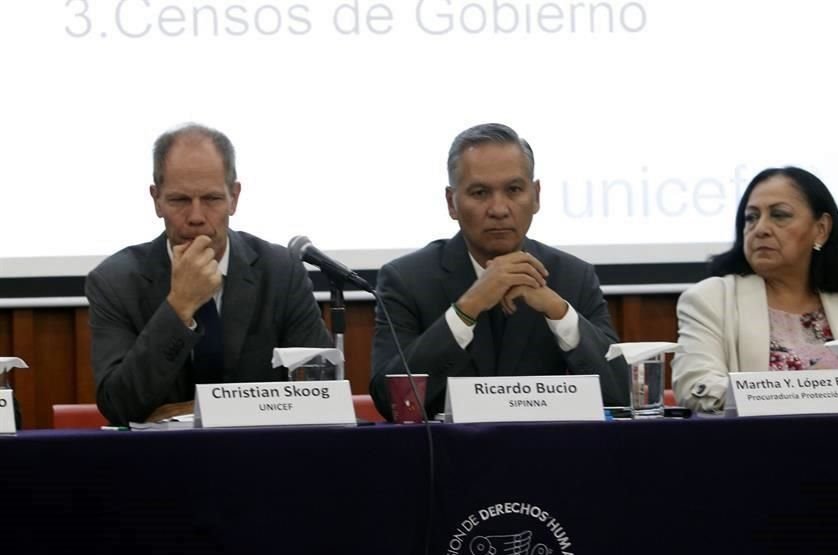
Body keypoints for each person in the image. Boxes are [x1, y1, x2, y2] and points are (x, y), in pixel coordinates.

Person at [369, 123, 628, 420]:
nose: (499, 208)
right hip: (445, 459)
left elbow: (622, 394)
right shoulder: (407, 280)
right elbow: (390, 401)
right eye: (480, 193)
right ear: (451, 203)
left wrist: (559, 313)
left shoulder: (571, 276)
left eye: (514, 190)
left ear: (536, 195)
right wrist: (468, 308)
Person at [86, 123, 332, 425]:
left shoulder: (281, 272)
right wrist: (179, 307)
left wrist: (193, 411)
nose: (196, 217)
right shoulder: (115, 282)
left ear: (234, 198)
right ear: (157, 200)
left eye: (212, 199)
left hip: (262, 456)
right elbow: (119, 405)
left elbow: (322, 391)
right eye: (179, 200)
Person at [671, 166, 838, 412]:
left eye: (779, 215)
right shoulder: (711, 300)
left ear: (820, 229)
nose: (760, 229)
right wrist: (815, 391)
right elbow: (696, 388)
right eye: (751, 218)